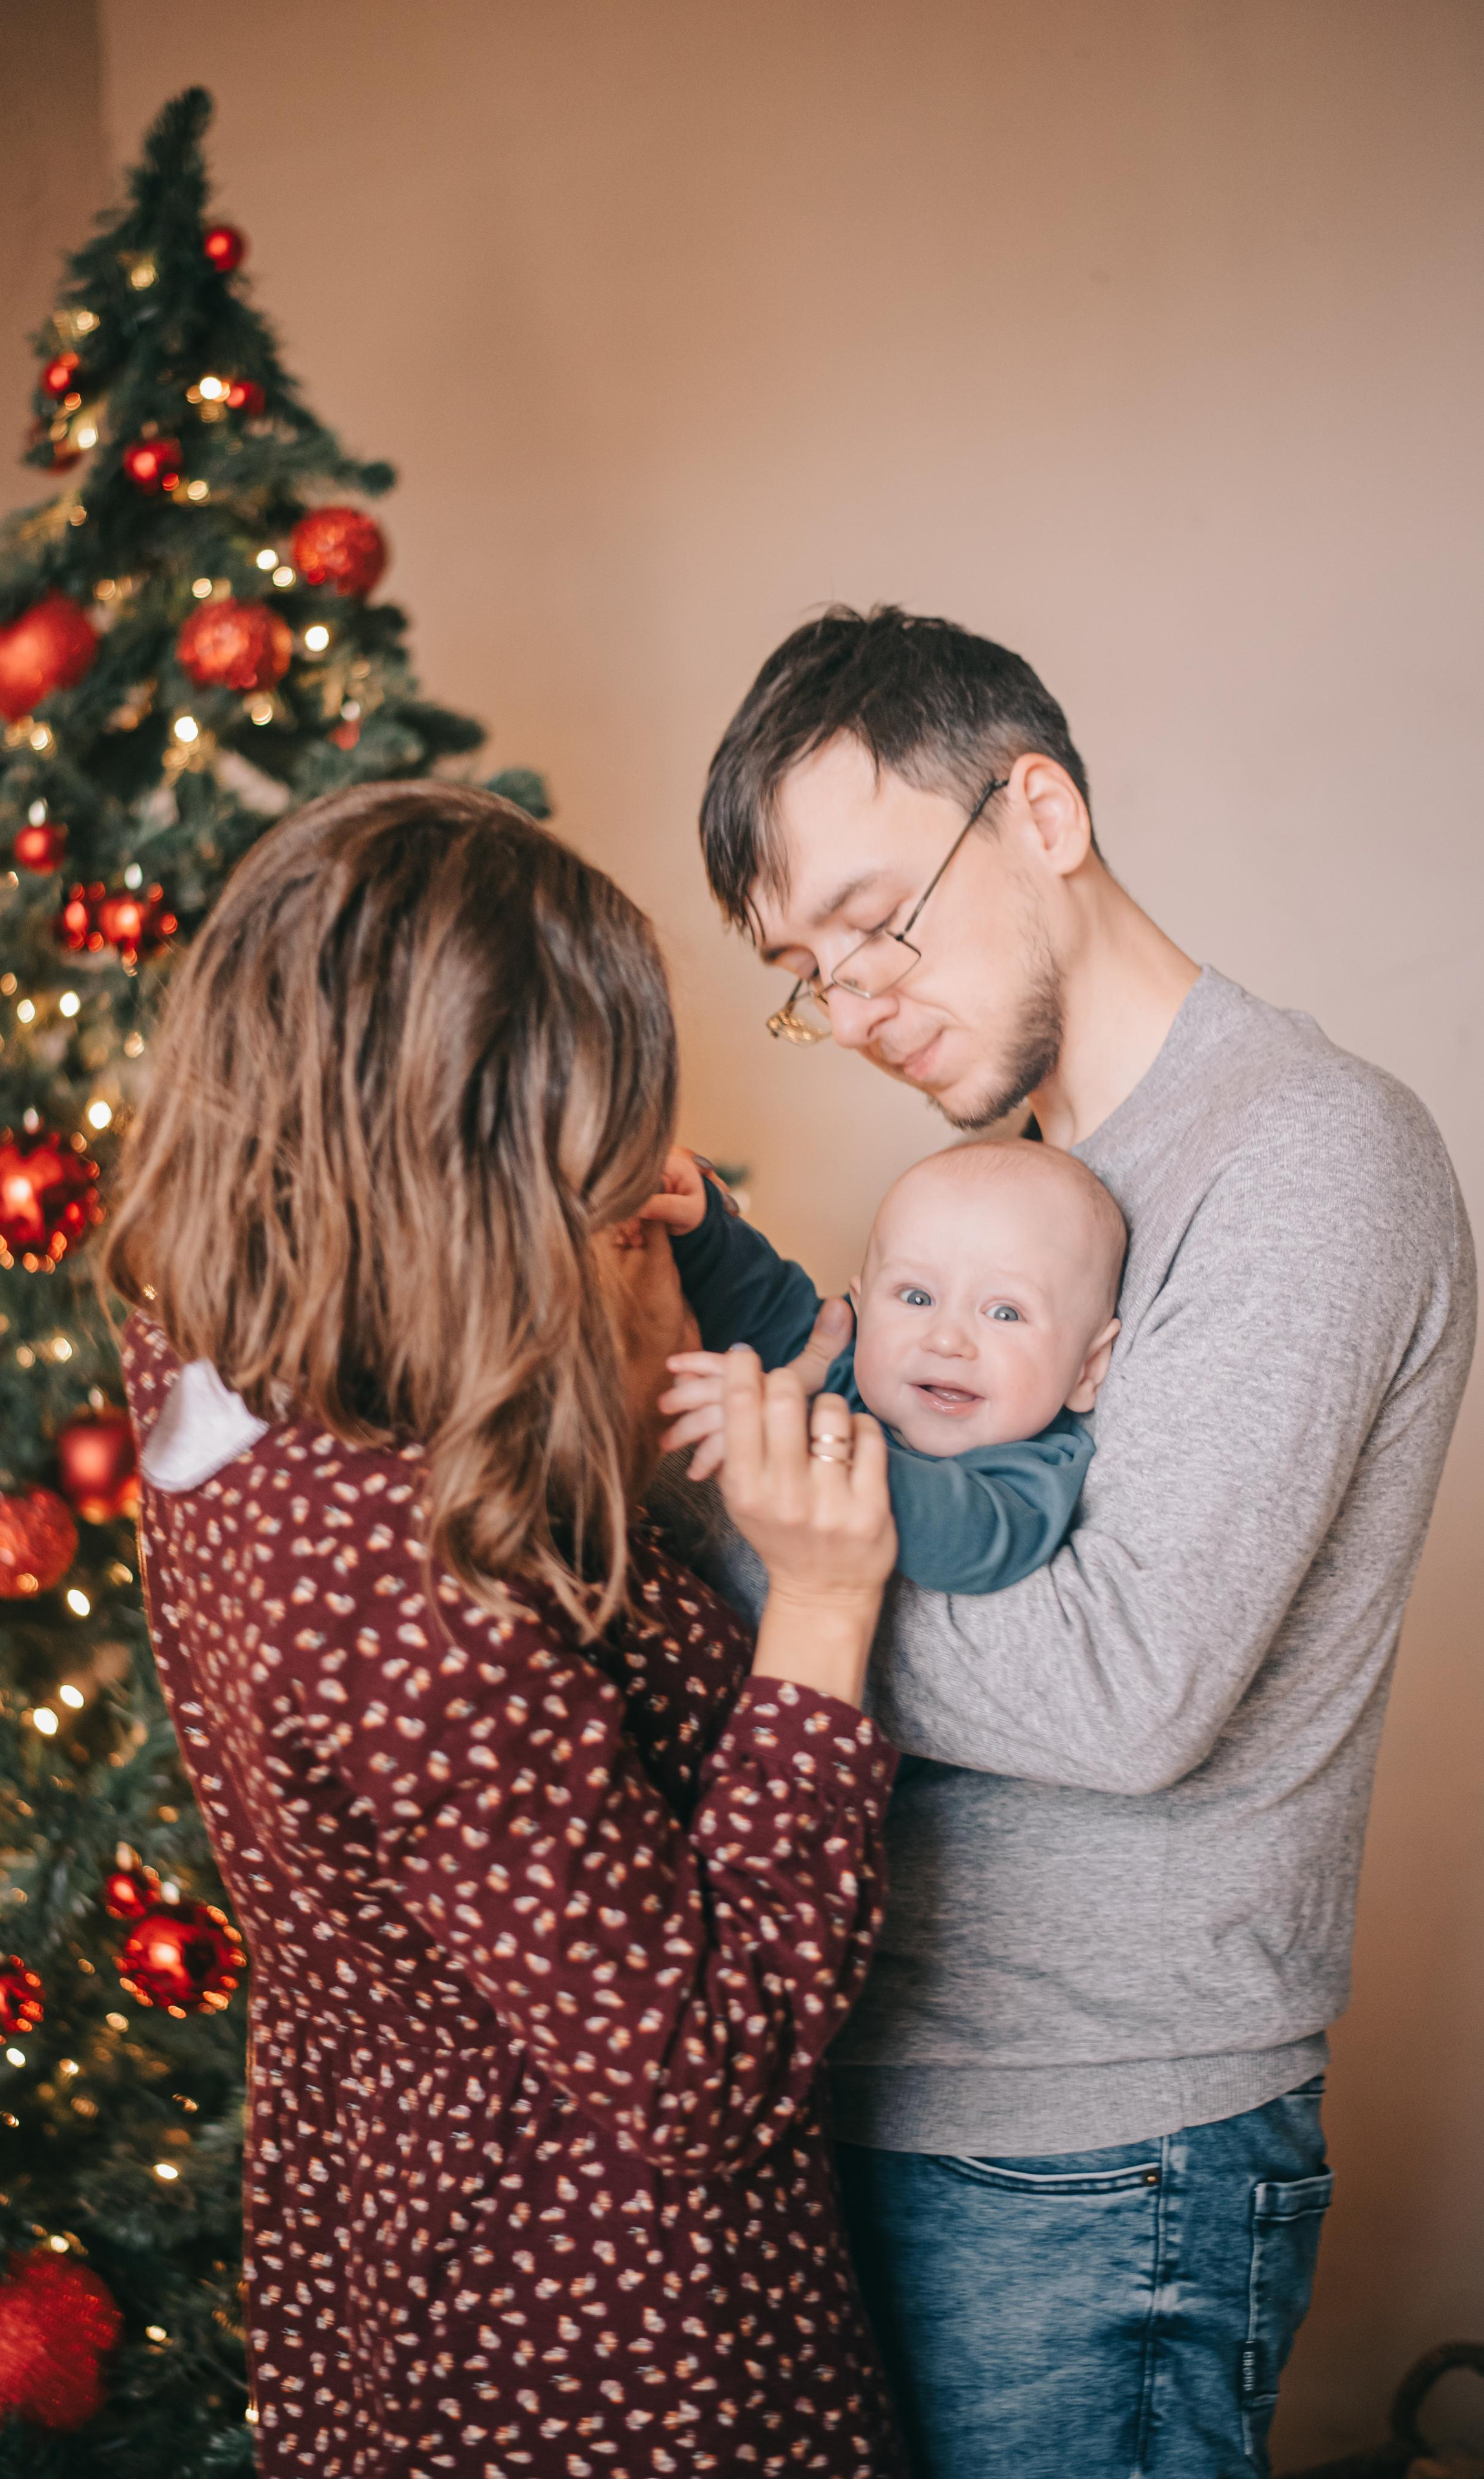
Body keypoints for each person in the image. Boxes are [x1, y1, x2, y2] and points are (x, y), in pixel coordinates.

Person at [654, 608, 1476, 2479]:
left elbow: (1127, 1691)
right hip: (882, 2077)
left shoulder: (1308, 1155)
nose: (852, 1000)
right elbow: (840, 1403)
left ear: (1042, 809)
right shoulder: (1013, 1188)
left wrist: (748, 1562)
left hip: (1103, 2151)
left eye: (877, 918)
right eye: (804, 969)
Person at [105, 782, 911, 2478]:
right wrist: (825, 1609)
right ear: (478, 1174)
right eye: (600, 1168)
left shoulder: (206, 1358)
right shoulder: (415, 1591)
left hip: (386, 2209)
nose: (639, 1181)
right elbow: (696, 2065)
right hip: (603, 2325)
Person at [651, 1137, 1124, 1591]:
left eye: (1006, 1312)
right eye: (917, 1297)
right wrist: (704, 1231)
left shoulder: (1033, 1478)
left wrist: (800, 1442)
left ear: (1087, 1368)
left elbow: (973, 1533)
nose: (945, 1338)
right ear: (864, 1309)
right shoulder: (851, 1374)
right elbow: (764, 1308)